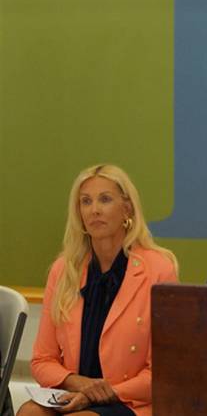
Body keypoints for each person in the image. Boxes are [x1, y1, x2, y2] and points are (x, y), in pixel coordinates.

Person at [18, 165, 178, 416]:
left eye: (105, 199)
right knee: (29, 413)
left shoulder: (159, 270)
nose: (95, 210)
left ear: (127, 208)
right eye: (86, 202)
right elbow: (42, 360)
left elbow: (162, 371)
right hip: (73, 392)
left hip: (129, 400)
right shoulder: (63, 270)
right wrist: (81, 385)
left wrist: (104, 393)